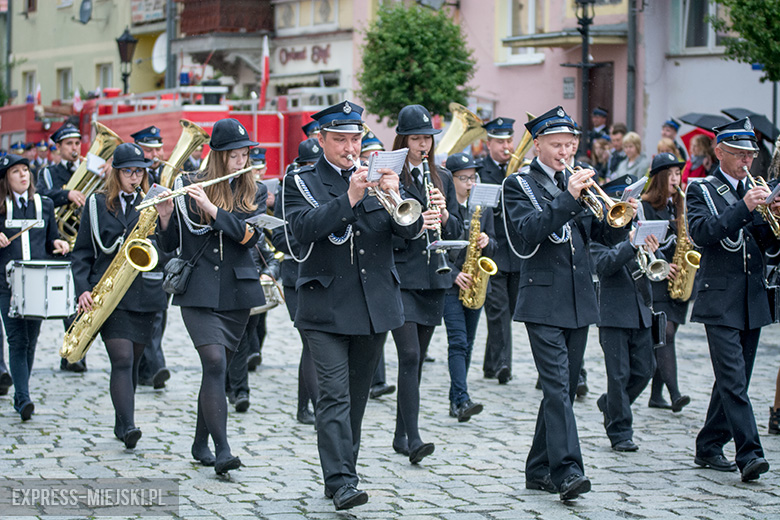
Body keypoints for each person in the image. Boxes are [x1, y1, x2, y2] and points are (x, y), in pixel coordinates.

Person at [282, 100, 422, 510]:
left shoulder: (381, 176)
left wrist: (398, 200)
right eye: (340, 139)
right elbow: (302, 229)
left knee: (357, 398)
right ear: (321, 139)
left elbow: (408, 237)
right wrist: (349, 198)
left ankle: (343, 472)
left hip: (373, 304)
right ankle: (342, 479)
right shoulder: (302, 180)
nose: (350, 146)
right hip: (324, 305)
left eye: (355, 138)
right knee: (333, 397)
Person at [503, 106, 634, 501]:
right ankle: (568, 471)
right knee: (560, 387)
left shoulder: (577, 183)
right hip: (541, 298)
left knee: (560, 388)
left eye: (569, 144)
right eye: (556, 145)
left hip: (579, 298)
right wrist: (569, 196)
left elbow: (599, 236)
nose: (563, 151)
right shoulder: (520, 184)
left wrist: (622, 215)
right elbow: (529, 231)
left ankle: (537, 468)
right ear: (538, 144)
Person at [156, 117, 266, 475]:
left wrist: (214, 210)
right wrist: (166, 215)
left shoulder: (255, 190)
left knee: (214, 371)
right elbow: (172, 246)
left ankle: (200, 441)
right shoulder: (188, 185)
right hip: (199, 292)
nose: (240, 161)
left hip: (238, 291)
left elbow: (250, 237)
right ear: (217, 156)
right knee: (216, 364)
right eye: (233, 156)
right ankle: (223, 450)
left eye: (244, 154)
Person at [687, 117, 776, 482]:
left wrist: (772, 220)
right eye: (738, 153)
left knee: (734, 379)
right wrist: (744, 207)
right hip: (719, 298)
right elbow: (702, 232)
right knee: (734, 381)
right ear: (719, 151)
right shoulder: (702, 189)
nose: (746, 161)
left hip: (752, 298)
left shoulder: (757, 190)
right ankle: (750, 453)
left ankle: (709, 444)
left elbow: (768, 247)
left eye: (750, 154)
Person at [70, 143, 166, 447]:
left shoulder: (151, 203)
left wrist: (164, 217)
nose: (135, 177)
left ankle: (120, 419)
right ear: (116, 173)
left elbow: (167, 248)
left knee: (134, 362)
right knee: (122, 359)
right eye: (128, 172)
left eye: (139, 171)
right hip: (108, 295)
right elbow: (82, 252)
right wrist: (83, 288)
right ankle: (128, 426)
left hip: (143, 294)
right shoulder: (97, 205)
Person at [390, 104, 463, 464]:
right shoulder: (391, 176)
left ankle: (401, 432)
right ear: (403, 140)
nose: (423, 145)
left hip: (434, 275)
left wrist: (445, 213)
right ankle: (414, 437)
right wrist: (416, 223)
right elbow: (386, 231)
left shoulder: (442, 177)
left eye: (427, 139)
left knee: (415, 362)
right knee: (409, 355)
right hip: (402, 276)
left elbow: (457, 231)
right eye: (417, 139)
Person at [0, 154, 69, 420]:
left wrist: (59, 244)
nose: (23, 175)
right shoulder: (1, 207)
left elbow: (52, 239)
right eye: (16, 171)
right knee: (17, 341)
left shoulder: (45, 204)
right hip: (7, 285)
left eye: (25, 171)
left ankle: (20, 395)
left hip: (38, 284)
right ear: (6, 177)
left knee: (31, 343)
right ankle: (25, 397)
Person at [591, 228, 656, 453]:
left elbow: (655, 265)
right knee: (618, 375)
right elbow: (603, 265)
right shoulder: (599, 234)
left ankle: (610, 404)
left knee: (646, 369)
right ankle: (620, 432)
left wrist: (653, 249)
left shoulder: (636, 232)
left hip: (641, 310)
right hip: (613, 313)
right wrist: (629, 245)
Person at [272, 137, 323, 424]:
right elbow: (279, 234)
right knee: (310, 341)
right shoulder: (289, 188)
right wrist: (307, 237)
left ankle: (305, 406)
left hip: (320, 274)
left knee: (312, 344)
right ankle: (313, 405)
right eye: (308, 165)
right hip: (295, 275)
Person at [442, 152, 495, 422]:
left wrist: (487, 240)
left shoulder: (481, 208)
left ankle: (455, 399)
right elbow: (434, 247)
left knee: (469, 343)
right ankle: (462, 399)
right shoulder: (444, 209)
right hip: (452, 285)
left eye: (473, 178)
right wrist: (452, 274)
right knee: (459, 342)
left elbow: (495, 244)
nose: (470, 183)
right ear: (450, 180)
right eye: (463, 178)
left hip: (475, 280)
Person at [36, 123, 89, 373]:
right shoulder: (48, 173)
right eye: (69, 144)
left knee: (84, 299)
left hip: (84, 241)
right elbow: (43, 197)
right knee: (70, 300)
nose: (74, 148)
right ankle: (72, 353)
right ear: (58, 148)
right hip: (61, 243)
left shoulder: (90, 170)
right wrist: (66, 195)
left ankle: (76, 352)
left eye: (77, 143)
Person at [641, 153, 691, 412]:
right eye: (670, 174)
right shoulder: (647, 206)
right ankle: (675, 394)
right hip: (657, 278)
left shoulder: (679, 205)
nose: (675, 179)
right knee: (665, 333)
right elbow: (642, 244)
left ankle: (656, 394)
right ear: (660, 178)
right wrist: (662, 261)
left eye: (677, 174)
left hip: (677, 280)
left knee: (666, 336)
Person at [476, 117, 519, 384]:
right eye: (500, 141)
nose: (506, 146)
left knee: (511, 310)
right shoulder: (481, 171)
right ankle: (503, 364)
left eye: (508, 141)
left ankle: (491, 363)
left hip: (517, 251)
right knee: (498, 309)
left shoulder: (519, 171)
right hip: (493, 248)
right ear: (488, 143)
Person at [358, 130, 397, 400]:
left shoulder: (388, 185)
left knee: (378, 329)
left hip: (381, 275)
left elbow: (410, 228)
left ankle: (377, 380)